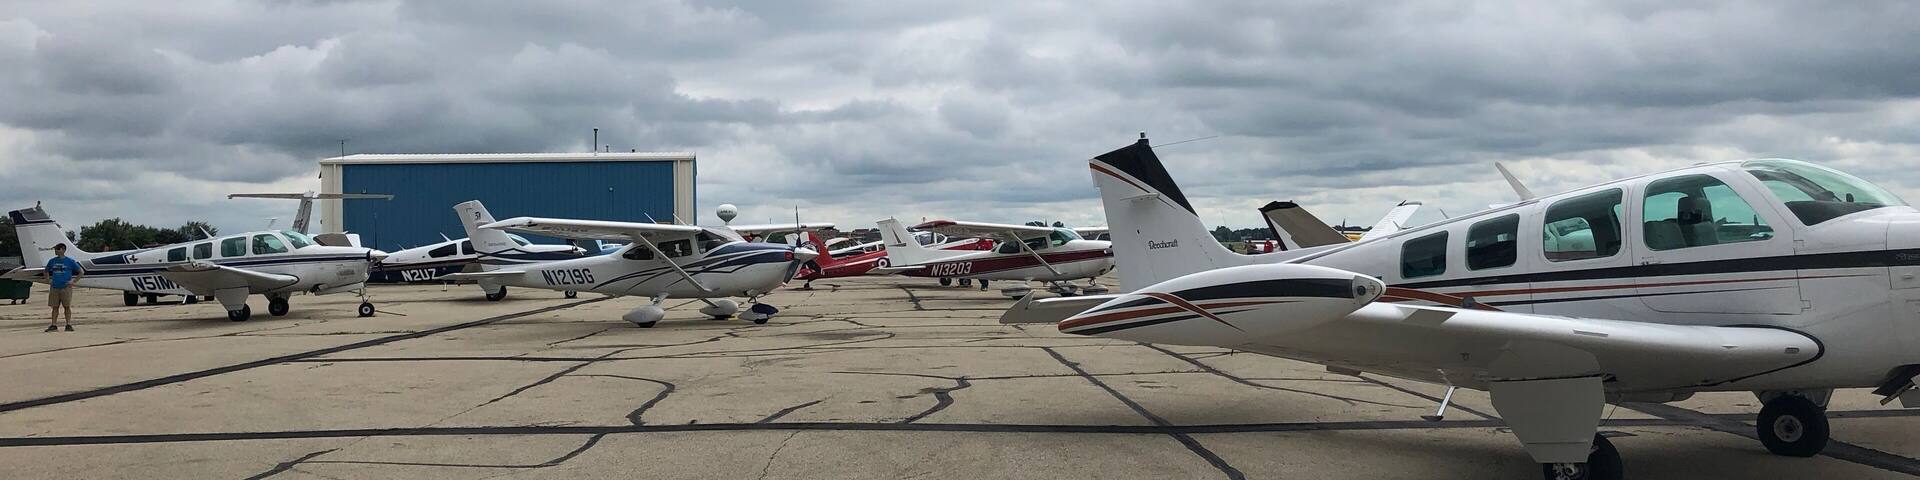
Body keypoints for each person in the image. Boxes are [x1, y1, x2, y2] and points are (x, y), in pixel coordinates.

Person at [44, 243, 83, 332]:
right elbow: (46, 270)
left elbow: (81, 271)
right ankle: (54, 325)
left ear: (63, 250)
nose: (56, 251)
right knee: (55, 307)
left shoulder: (70, 261)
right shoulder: (52, 261)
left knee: (67, 306)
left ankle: (68, 324)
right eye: (55, 249)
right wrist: (48, 280)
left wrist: (73, 281)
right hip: (55, 287)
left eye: (58, 249)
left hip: (66, 287)